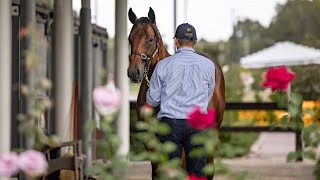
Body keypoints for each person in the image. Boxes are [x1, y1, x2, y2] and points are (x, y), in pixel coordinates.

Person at [146, 23, 216, 178]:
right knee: (197, 174)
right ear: (195, 41)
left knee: (168, 174)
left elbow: (152, 101)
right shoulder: (209, 66)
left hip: (170, 125)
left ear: (176, 41)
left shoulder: (163, 65)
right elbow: (208, 94)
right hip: (197, 125)